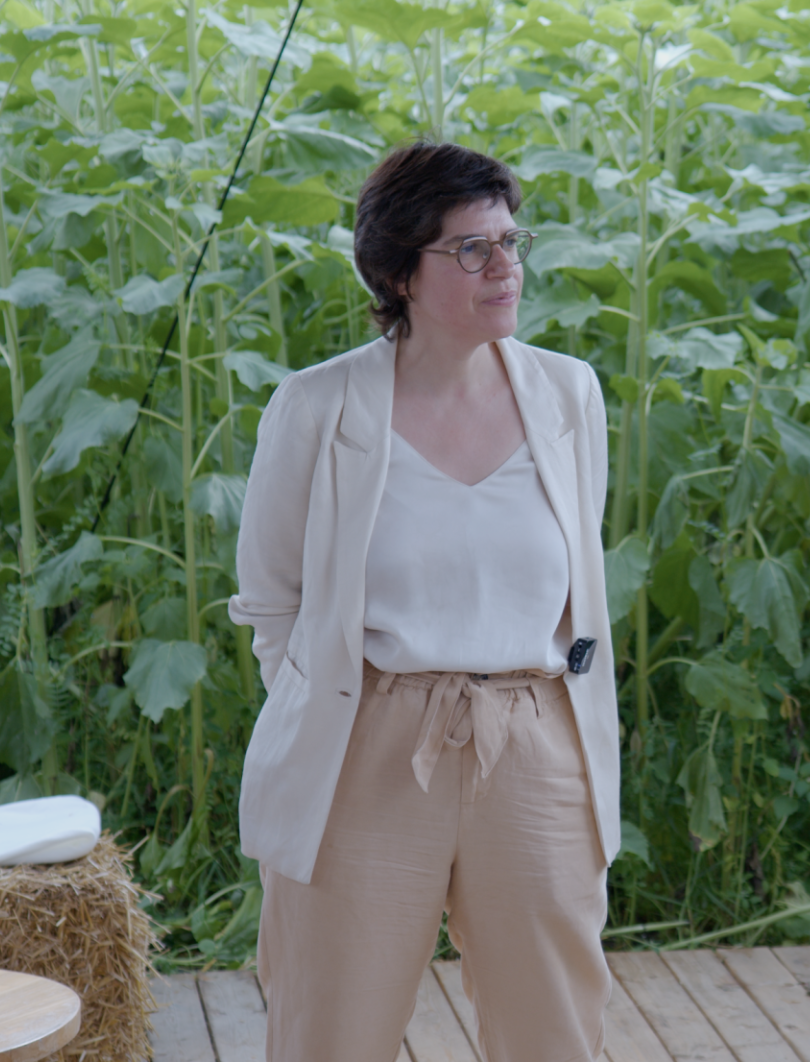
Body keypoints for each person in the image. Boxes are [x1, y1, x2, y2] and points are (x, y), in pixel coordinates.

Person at [228, 140, 619, 1062]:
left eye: (511, 241)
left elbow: (579, 582)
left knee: (554, 1034)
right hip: (366, 744)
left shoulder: (568, 394)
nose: (505, 267)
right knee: (331, 1030)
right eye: (471, 249)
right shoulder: (315, 408)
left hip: (533, 740)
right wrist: (325, 704)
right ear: (401, 271)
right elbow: (269, 602)